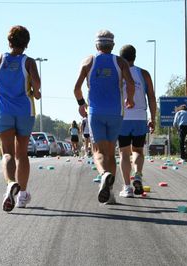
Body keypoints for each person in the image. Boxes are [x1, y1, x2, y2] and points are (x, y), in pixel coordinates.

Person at [0, 25, 41, 211]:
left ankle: (10, 184)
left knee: (7, 153)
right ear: (27, 44)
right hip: (24, 111)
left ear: (9, 42)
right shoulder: (29, 62)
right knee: (22, 154)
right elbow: (37, 84)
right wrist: (35, 92)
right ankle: (22, 195)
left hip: (3, 112)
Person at [74, 29, 135, 204]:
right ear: (113, 45)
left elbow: (76, 88)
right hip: (116, 112)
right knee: (110, 153)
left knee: (98, 151)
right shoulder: (120, 62)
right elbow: (130, 83)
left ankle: (103, 174)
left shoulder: (88, 61)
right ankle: (110, 194)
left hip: (95, 112)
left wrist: (81, 104)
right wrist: (129, 99)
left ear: (96, 45)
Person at [117, 44, 157, 198]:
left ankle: (127, 187)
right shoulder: (144, 74)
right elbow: (152, 97)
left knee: (124, 154)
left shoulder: (118, 73)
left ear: (121, 58)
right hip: (140, 117)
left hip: (123, 118)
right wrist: (152, 118)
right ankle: (138, 175)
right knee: (138, 151)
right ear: (135, 57)